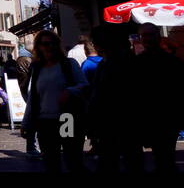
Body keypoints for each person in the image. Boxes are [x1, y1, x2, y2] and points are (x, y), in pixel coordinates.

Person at [24, 30, 88, 173]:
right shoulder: (37, 68)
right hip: (45, 121)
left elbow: (83, 85)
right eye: (45, 44)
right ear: (39, 46)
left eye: (53, 43)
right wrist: (26, 122)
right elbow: (33, 97)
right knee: (50, 161)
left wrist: (70, 91)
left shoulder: (68, 64)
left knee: (72, 158)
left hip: (67, 118)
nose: (49, 47)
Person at [134, 23, 184, 172]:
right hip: (149, 116)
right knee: (162, 156)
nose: (146, 39)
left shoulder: (171, 62)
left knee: (165, 156)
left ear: (158, 37)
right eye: (143, 36)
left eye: (149, 35)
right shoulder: (137, 62)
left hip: (167, 115)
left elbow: (182, 90)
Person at [86, 24, 138, 173]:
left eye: (95, 41)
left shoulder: (118, 62)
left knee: (117, 161)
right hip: (111, 123)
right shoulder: (108, 61)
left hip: (117, 122)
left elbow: (109, 93)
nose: (94, 45)